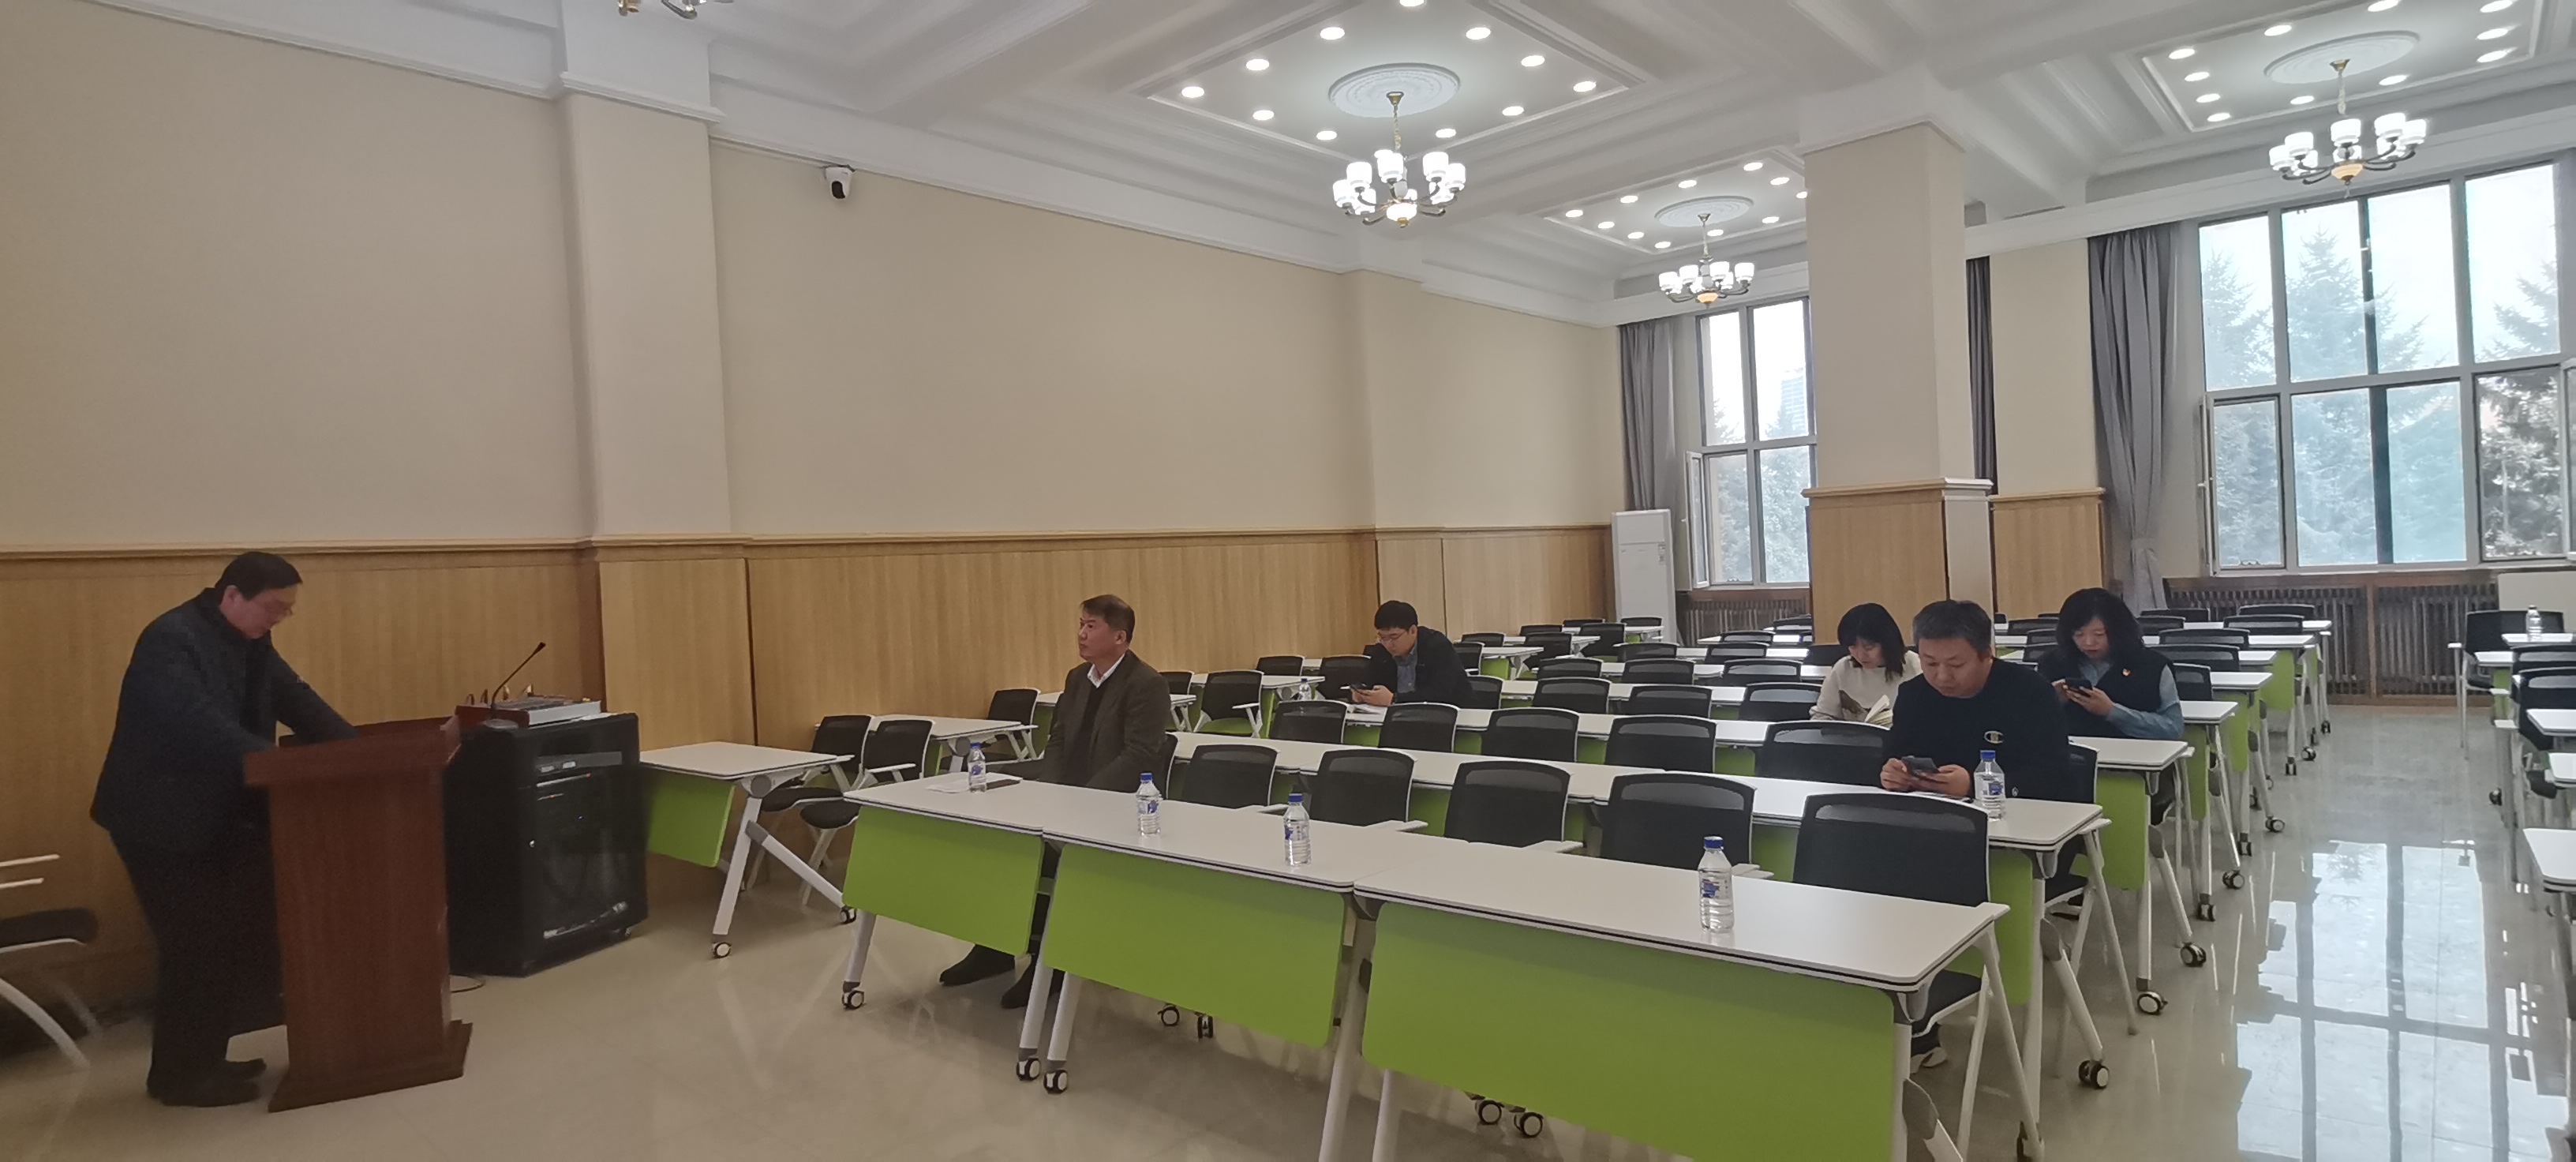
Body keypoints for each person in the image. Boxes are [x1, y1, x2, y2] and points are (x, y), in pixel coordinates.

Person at [92, 552, 359, 1107]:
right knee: (196, 947)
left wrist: (357, 752)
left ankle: (202, 1061)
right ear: (232, 595)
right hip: (159, 821)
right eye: (274, 607)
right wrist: (275, 764)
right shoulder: (171, 639)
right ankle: (180, 1078)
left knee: (220, 944)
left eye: (286, 611)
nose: (279, 618)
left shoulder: (251, 639)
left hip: (211, 816)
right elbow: (197, 726)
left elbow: (297, 699)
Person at [949, 594, 1166, 1008]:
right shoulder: (1077, 678)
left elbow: (1139, 755)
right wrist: (1049, 792)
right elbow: (1059, 739)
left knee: (1053, 858)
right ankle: (994, 948)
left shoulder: (1146, 684)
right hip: (1067, 799)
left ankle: (1050, 961)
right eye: (1081, 624)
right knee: (1005, 845)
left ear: (1119, 637)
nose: (1081, 634)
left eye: (1091, 626)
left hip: (1113, 807)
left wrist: (1082, 800)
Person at [1878, 599, 2080, 804]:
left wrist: (1975, 786)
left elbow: (2053, 777)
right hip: (1933, 812)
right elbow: (1893, 756)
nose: (1942, 676)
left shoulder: (2031, 693)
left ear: (1986, 655)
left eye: (1956, 665)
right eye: (1930, 663)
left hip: (2017, 812)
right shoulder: (1913, 694)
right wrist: (1893, 774)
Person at [2034, 587, 2183, 741]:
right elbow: (2027, 724)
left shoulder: (2153, 666)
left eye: (2099, 634)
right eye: (2079, 634)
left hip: (2134, 754)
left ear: (2119, 631)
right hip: (2071, 754)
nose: (2089, 642)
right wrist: (2049, 701)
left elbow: (2173, 728)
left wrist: (2112, 711)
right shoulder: (2051, 664)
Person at [1812, 602, 1920, 724]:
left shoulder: (1915, 666)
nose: (1861, 656)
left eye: (1869, 648)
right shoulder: (1843, 669)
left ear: (1888, 642)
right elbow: (1822, 716)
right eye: (1852, 647)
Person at [1351, 600, 1472, 707]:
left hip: (1451, 716)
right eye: (1383, 637)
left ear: (1413, 631)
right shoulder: (1381, 651)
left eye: (1394, 637)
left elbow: (1440, 694)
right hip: (1398, 717)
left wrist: (1395, 699)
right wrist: (1361, 694)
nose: (1387, 644)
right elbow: (1368, 682)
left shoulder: (1437, 646)